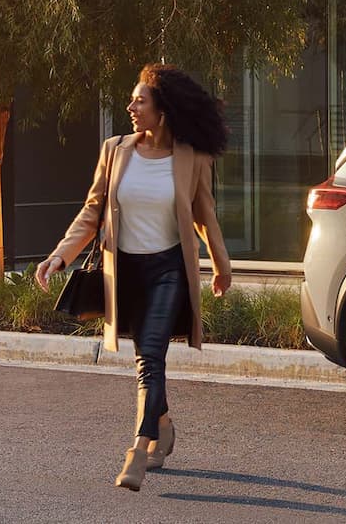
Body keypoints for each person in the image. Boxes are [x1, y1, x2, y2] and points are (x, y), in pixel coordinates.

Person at [34, 64, 232, 491]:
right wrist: (59, 256)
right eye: (132, 100)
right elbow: (92, 212)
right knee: (147, 359)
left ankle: (138, 451)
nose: (131, 107)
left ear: (163, 110)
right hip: (126, 272)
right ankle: (164, 426)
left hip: (168, 271)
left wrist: (222, 266)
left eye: (140, 101)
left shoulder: (191, 158)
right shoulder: (115, 150)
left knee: (151, 360)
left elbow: (204, 216)